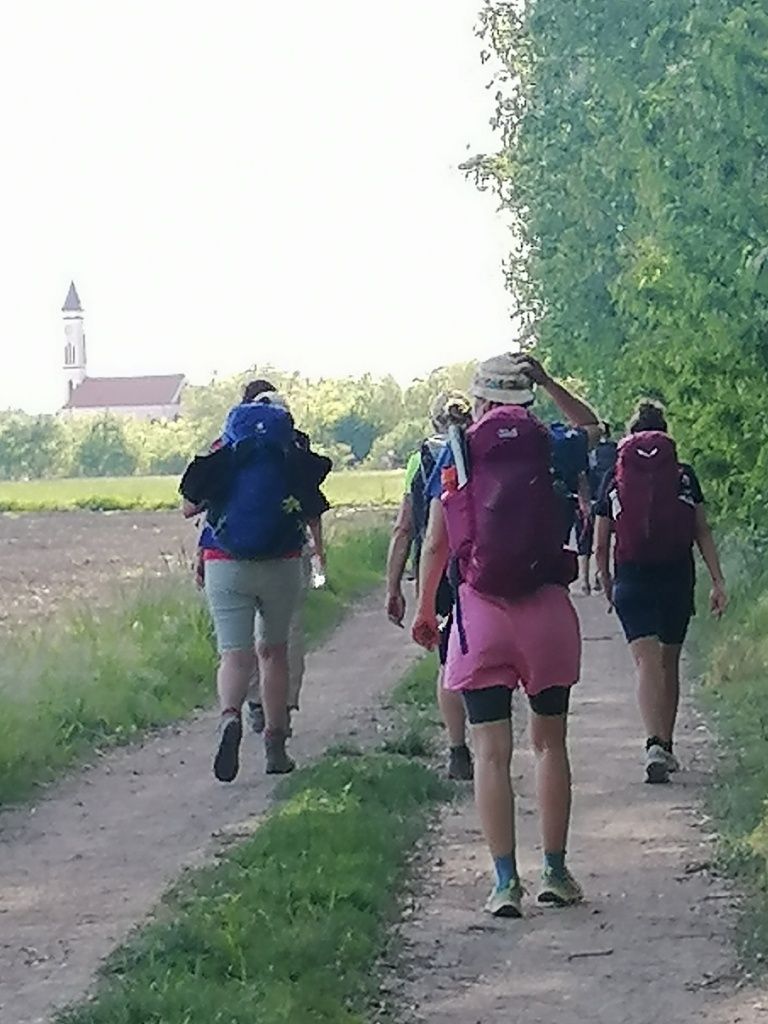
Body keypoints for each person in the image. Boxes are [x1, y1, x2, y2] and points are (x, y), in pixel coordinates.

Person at [412, 351, 601, 918]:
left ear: (481, 400)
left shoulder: (457, 450)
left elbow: (436, 543)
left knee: (491, 753)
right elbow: (593, 427)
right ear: (527, 397)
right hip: (546, 611)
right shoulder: (555, 445)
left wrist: (426, 609)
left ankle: (503, 883)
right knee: (550, 744)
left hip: (480, 616)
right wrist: (549, 377)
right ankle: (557, 871)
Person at [181, 387, 331, 782]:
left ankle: (230, 716)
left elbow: (187, 507)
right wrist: (318, 557)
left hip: (224, 562)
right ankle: (275, 746)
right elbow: (314, 505)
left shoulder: (225, 451)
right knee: (274, 652)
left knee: (234, 655)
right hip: (281, 562)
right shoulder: (291, 453)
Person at [594, 400, 727, 784]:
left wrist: (606, 581)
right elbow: (701, 530)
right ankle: (665, 745)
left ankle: (653, 742)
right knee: (669, 661)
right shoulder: (684, 475)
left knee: (646, 662)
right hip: (676, 575)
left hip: (631, 578)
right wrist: (717, 580)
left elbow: (602, 541)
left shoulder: (614, 476)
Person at [386, 391, 474, 781]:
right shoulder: (480, 449)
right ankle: (492, 736)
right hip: (479, 565)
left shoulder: (419, 460)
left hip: (436, 571)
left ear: (433, 420)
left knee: (448, 659)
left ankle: (458, 749)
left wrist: (394, 587)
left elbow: (406, 527)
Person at [578, 422, 618, 594]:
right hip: (609, 500)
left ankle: (585, 581)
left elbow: (581, 473)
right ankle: (599, 575)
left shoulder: (585, 450)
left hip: (589, 497)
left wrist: (583, 499)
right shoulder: (616, 449)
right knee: (604, 539)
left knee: (585, 539)